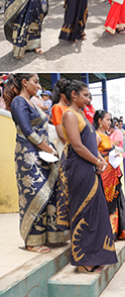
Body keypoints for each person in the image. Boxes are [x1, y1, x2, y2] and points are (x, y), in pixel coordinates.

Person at [5, 73, 68, 253]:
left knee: (50, 195)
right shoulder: (19, 102)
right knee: (35, 195)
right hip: (28, 156)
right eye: (36, 82)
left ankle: (51, 237)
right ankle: (32, 241)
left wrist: (48, 149)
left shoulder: (33, 102)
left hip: (43, 154)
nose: (39, 86)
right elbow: (26, 129)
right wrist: (46, 148)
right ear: (25, 83)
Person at [61, 80, 118, 273]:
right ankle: (83, 259)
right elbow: (77, 146)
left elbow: (92, 144)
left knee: (96, 211)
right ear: (74, 95)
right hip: (79, 169)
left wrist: (100, 160)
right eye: (85, 95)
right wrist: (97, 161)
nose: (88, 99)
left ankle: (95, 255)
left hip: (90, 168)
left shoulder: (81, 116)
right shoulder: (69, 115)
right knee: (83, 210)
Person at [94, 109, 125, 240]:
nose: (110, 122)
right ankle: (105, 234)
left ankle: (114, 232)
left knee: (114, 201)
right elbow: (94, 154)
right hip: (104, 174)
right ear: (100, 121)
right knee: (105, 202)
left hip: (113, 173)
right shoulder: (96, 136)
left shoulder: (108, 136)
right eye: (108, 120)